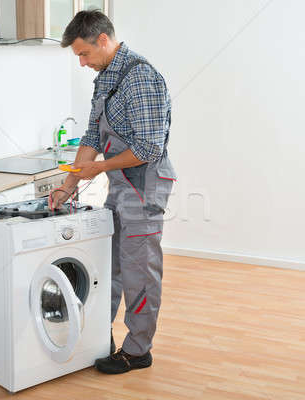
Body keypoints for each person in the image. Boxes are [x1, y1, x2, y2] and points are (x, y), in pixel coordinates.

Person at [49, 10, 177, 374]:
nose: (82, 63)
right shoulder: (106, 78)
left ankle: (138, 351)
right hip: (122, 185)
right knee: (110, 267)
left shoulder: (140, 77)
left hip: (145, 186)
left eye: (84, 54)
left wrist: (100, 168)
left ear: (103, 40)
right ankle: (98, 340)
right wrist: (68, 185)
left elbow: (149, 148)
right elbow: (92, 135)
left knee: (140, 272)